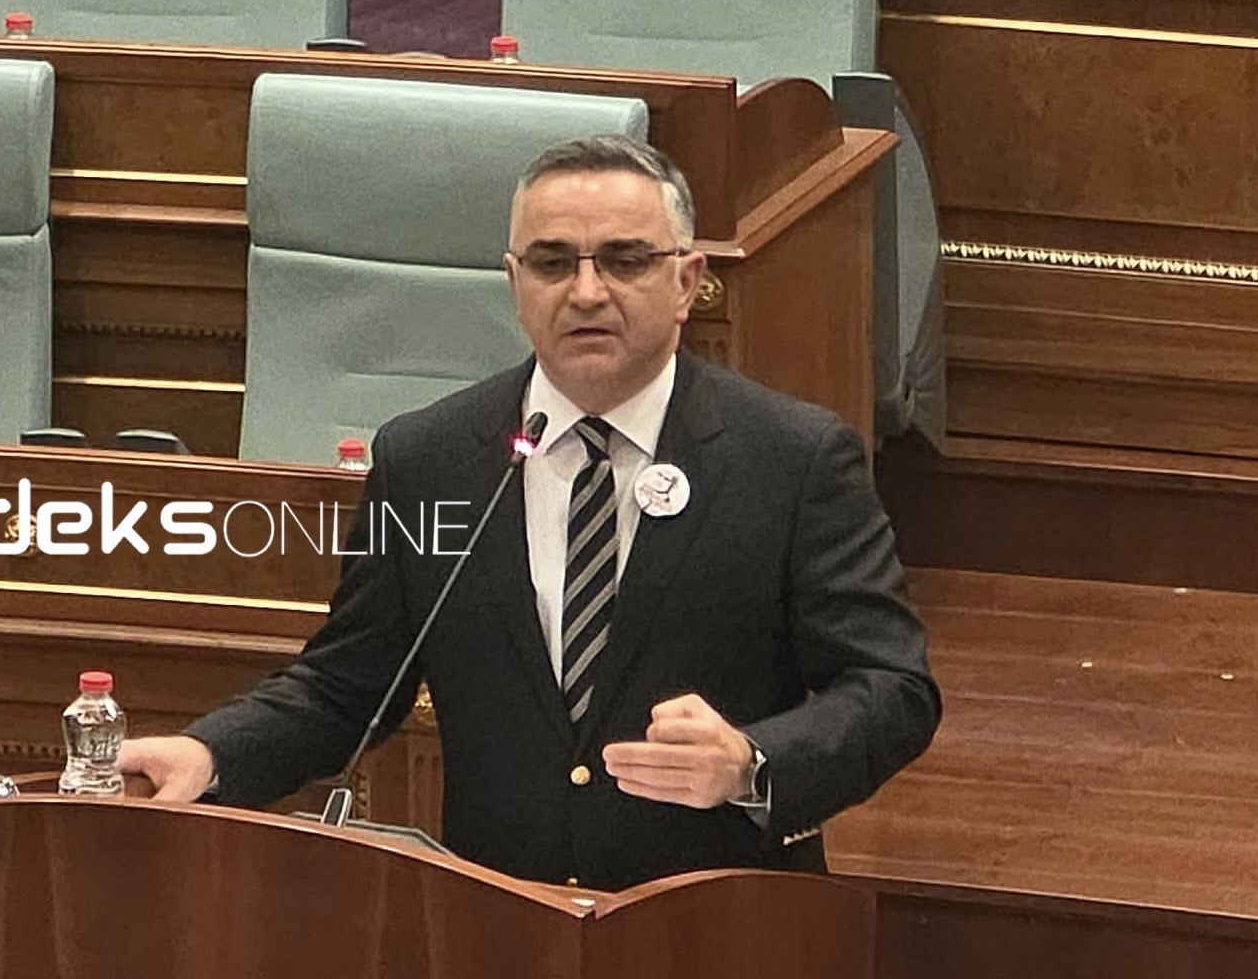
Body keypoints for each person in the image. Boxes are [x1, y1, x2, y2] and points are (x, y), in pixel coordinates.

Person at [118, 134, 940, 891]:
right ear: (515, 283)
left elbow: (892, 688)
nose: (587, 291)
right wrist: (211, 752)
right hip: (497, 926)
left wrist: (753, 761)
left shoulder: (793, 460)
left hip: (714, 926)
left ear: (687, 282)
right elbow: (348, 683)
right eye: (553, 263)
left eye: (625, 260)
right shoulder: (430, 460)